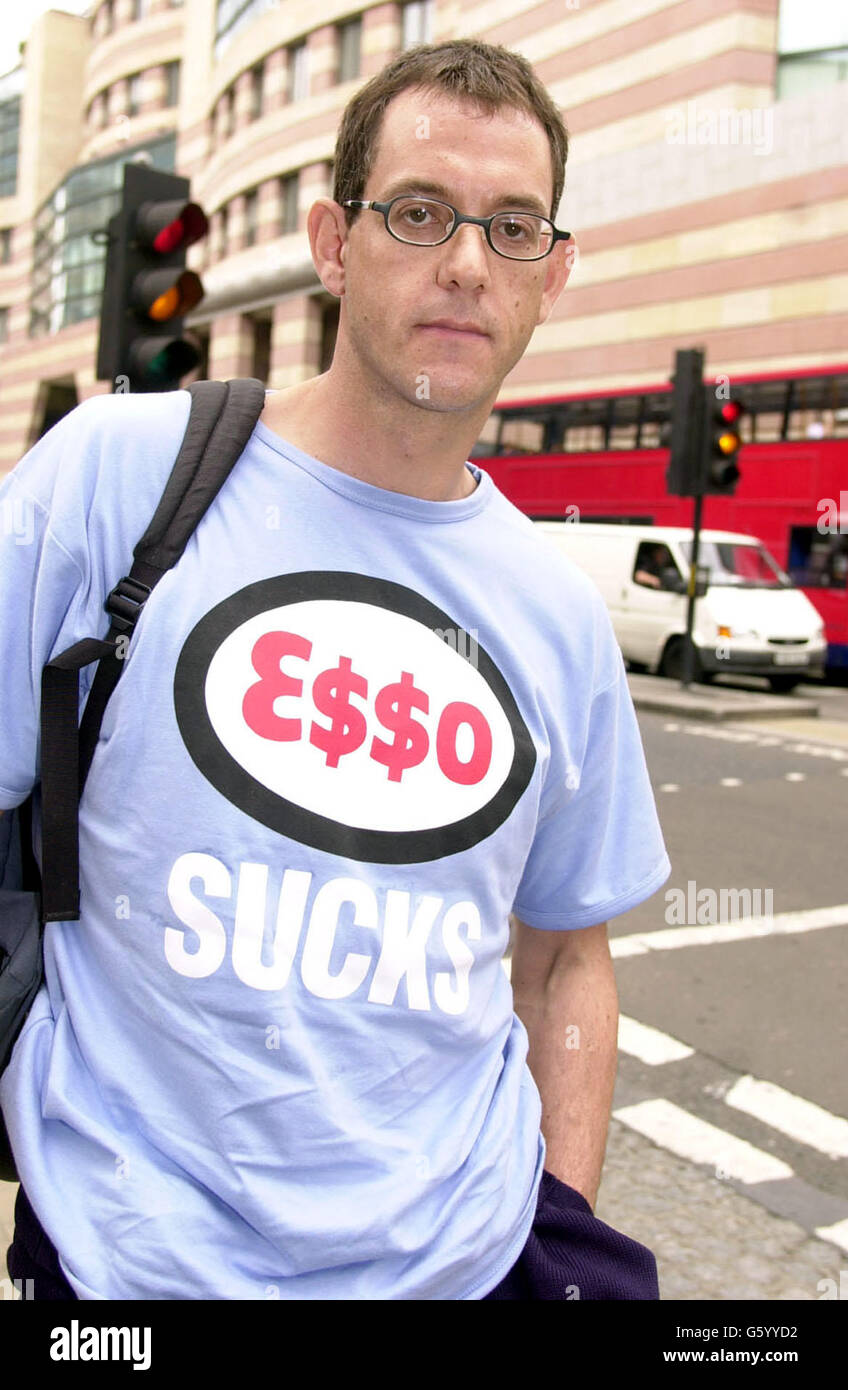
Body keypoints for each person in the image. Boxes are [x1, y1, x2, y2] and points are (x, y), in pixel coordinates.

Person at [0, 38, 670, 1300]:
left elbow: (564, 957)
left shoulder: (556, 613)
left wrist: (563, 1218)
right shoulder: (113, 477)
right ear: (331, 241)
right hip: (124, 1276)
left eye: (513, 227)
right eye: (419, 213)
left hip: (462, 1273)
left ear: (554, 272)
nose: (468, 263)